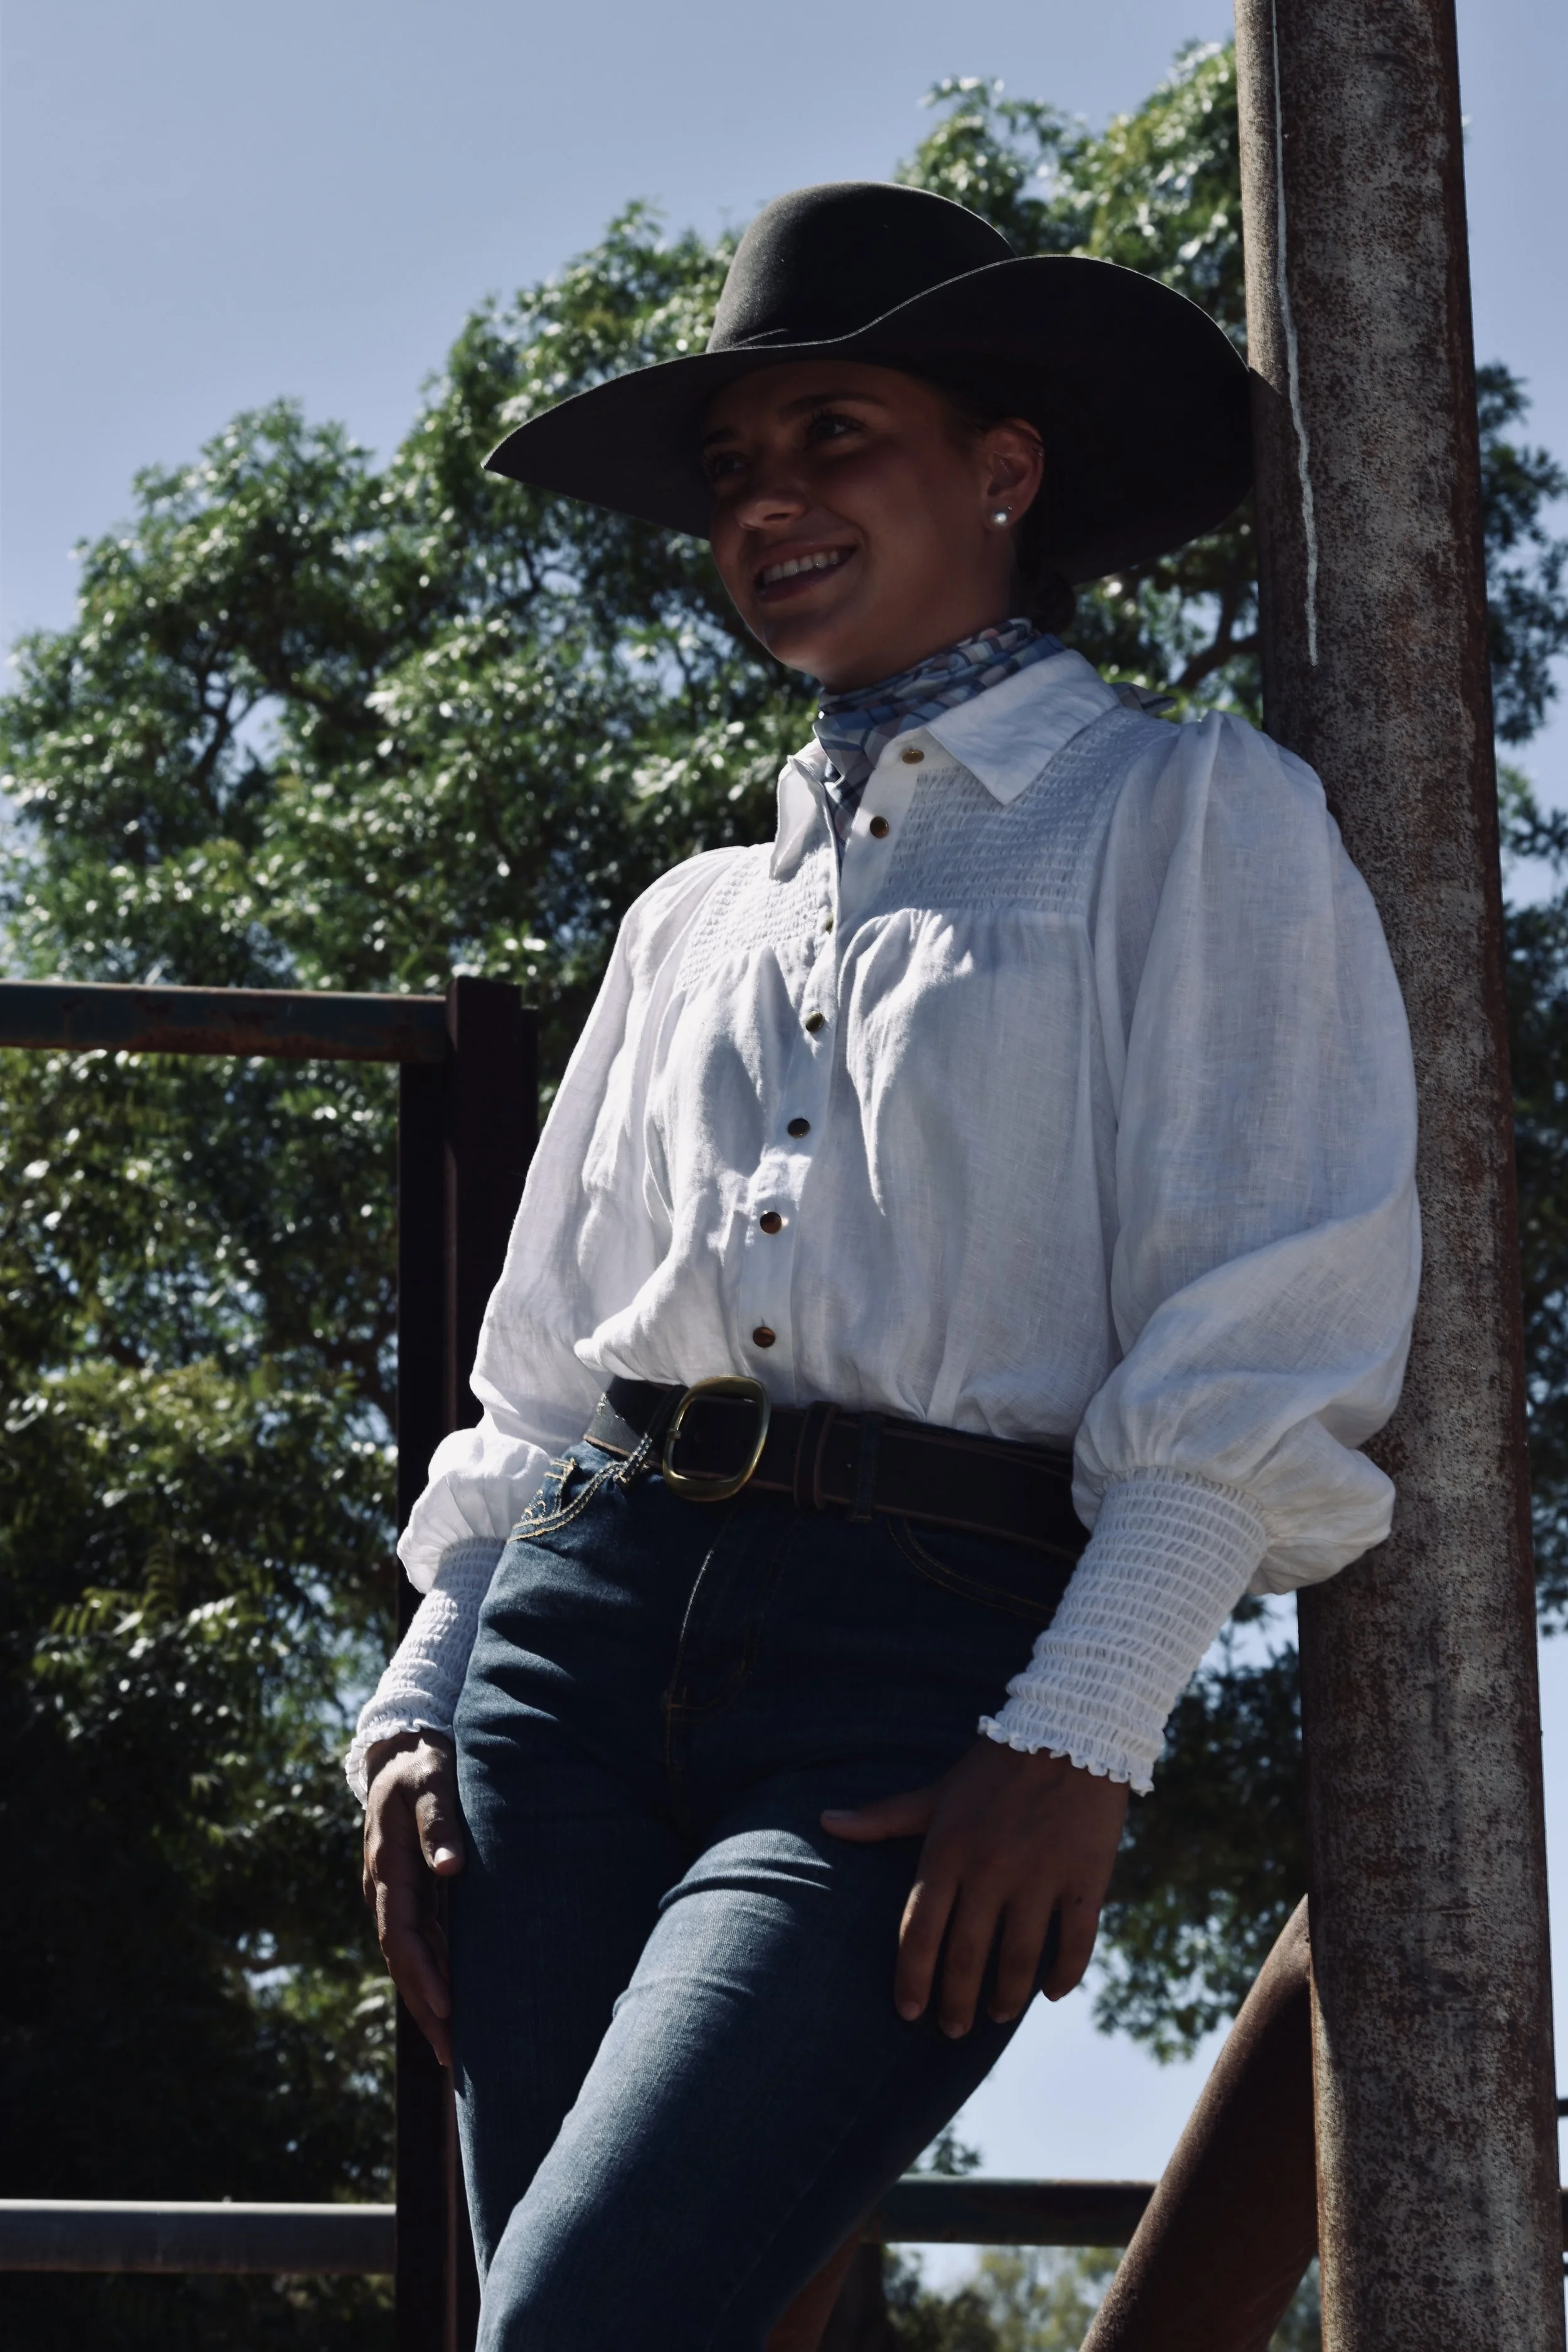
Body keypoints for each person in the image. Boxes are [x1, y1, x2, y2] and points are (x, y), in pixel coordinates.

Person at [352, 181, 1419, 2351]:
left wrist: (1084, 1726)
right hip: (563, 1670)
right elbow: (545, 1375)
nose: (769, 503)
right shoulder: (688, 919)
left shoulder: (1184, 817)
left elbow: (1266, 1311)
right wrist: (413, 1693)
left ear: (1002, 468)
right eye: (735, 472)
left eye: (833, 433)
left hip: (911, 1681)